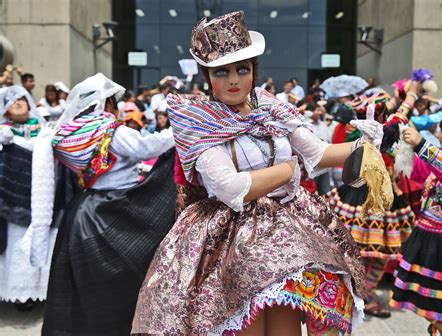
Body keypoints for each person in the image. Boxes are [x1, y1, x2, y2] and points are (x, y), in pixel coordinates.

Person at [132, 11, 394, 336]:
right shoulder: (198, 119)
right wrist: (287, 171)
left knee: (286, 329)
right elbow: (232, 189)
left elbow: (319, 153)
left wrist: (370, 144)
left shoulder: (270, 106)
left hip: (287, 233)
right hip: (230, 241)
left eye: (242, 69)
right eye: (221, 71)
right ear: (207, 76)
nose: (233, 80)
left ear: (254, 70)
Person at [26, 73, 176, 335]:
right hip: (116, 208)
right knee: (120, 278)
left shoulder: (67, 136)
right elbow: (149, 147)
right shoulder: (112, 132)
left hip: (82, 210)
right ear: (104, 103)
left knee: (82, 281)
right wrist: (184, 131)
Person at [326, 88, 421, 318]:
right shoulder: (382, 130)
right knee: (376, 255)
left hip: (354, 195)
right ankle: (363, 296)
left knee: (355, 252)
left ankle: (355, 295)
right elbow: (402, 114)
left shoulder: (355, 131)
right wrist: (413, 94)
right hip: (378, 198)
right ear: (378, 113)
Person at [391, 108, 442, 336]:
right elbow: (420, 168)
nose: (440, 136)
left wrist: (422, 145)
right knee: (435, 311)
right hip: (435, 246)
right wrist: (388, 141)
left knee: (440, 312)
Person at [0, 86, 68, 310]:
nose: (18, 102)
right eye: (12, 101)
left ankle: (38, 292)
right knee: (17, 244)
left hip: (43, 199)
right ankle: (18, 294)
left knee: (42, 243)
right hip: (12, 201)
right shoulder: (4, 133)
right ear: (6, 110)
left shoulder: (46, 130)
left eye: (22, 99)